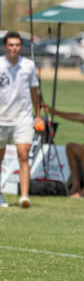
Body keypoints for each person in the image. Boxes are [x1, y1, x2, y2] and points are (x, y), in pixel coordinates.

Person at [0, 31, 44, 208]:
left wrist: (38, 115)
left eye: (17, 45)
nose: (14, 48)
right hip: (2, 118)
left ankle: (24, 196)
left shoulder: (28, 65)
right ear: (5, 46)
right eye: (11, 45)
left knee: (23, 154)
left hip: (23, 118)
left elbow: (34, 91)